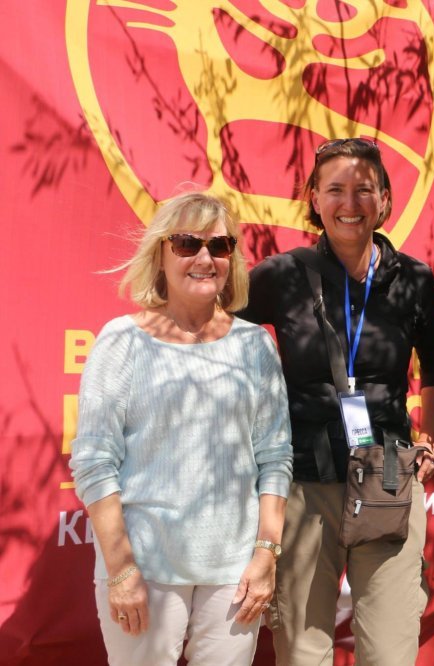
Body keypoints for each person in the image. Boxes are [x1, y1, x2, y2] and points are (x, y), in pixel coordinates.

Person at [240, 137, 434, 665]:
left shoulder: (414, 279)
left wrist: (429, 435)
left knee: (390, 648)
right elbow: (216, 326)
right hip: (304, 482)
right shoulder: (282, 275)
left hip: (387, 475)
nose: (349, 203)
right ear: (314, 198)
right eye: (335, 189)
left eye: (364, 189)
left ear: (385, 199)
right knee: (302, 649)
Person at [70, 191, 293, 665]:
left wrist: (265, 555)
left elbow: (274, 459)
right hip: (144, 565)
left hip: (235, 572)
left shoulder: (255, 346)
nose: (205, 259)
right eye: (188, 243)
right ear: (161, 254)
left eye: (220, 245)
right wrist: (121, 568)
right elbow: (93, 463)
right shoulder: (122, 342)